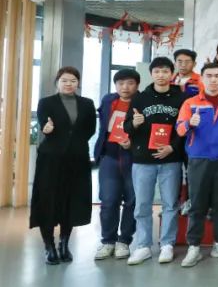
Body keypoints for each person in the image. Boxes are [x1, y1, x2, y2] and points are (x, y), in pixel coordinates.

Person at [176, 63, 218, 268]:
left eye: (217, 76)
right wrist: (189, 124)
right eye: (209, 76)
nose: (213, 79)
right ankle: (194, 246)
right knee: (197, 204)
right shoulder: (191, 103)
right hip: (199, 160)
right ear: (202, 79)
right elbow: (179, 129)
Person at [124, 57, 187, 265]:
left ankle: (167, 243)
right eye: (157, 71)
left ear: (172, 74)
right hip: (143, 160)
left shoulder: (181, 98)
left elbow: (184, 128)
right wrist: (134, 123)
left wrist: (172, 147)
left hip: (171, 159)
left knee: (170, 203)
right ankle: (143, 245)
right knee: (142, 204)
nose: (161, 75)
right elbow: (126, 127)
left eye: (165, 71)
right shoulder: (140, 98)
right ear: (151, 74)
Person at [32, 67, 96, 265]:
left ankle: (64, 244)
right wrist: (47, 129)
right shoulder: (46, 102)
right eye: (64, 80)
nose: (69, 84)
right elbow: (44, 125)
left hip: (77, 158)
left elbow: (90, 130)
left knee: (71, 200)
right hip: (51, 158)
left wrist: (74, 144)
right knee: (48, 200)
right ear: (57, 82)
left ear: (78, 83)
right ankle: (49, 246)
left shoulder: (87, 103)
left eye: (73, 81)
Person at [93, 69, 140, 261]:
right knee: (108, 200)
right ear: (115, 85)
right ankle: (108, 241)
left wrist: (132, 143)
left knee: (132, 201)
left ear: (137, 85)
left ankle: (124, 241)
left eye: (130, 83)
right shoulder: (108, 100)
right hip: (110, 156)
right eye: (120, 83)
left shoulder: (143, 102)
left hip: (134, 158)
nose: (125, 87)